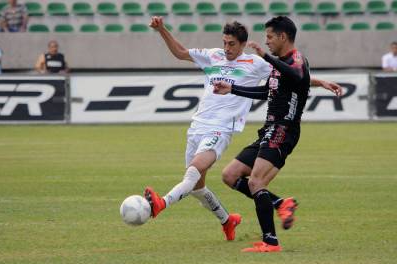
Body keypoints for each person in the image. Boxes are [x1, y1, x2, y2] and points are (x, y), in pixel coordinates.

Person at [144, 16, 342, 242]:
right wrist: (162, 30)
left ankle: (161, 203)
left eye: (231, 44)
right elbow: (180, 53)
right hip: (197, 126)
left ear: (242, 44)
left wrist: (321, 82)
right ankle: (230, 220)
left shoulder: (255, 63)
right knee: (197, 187)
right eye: (224, 42)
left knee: (194, 172)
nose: (226, 48)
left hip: (221, 129)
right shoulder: (213, 56)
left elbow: (290, 76)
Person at [214, 16, 341, 252]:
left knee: (256, 181)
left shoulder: (296, 60)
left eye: (270, 37)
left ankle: (270, 242)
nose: (267, 41)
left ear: (283, 37)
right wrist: (232, 88)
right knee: (230, 175)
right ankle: (281, 203)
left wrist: (265, 56)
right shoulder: (282, 64)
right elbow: (267, 91)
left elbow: (298, 76)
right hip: (269, 129)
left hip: (284, 129)